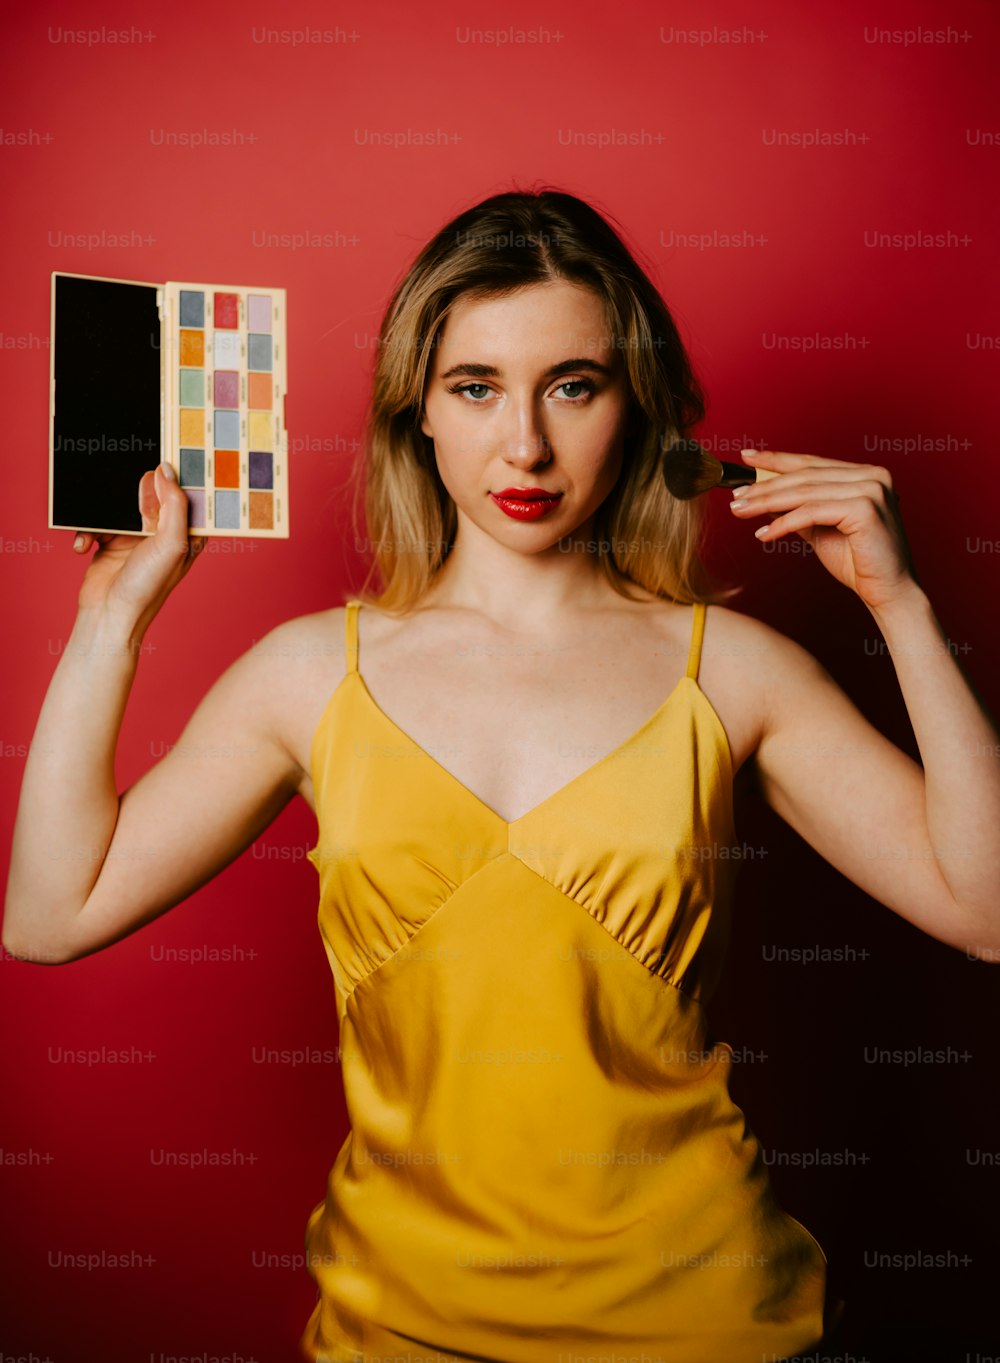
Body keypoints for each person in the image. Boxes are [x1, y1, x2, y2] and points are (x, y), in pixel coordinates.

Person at [5, 188, 998, 1363]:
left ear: (634, 407)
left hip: (712, 1324)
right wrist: (112, 622)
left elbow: (984, 911)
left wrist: (905, 606)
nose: (522, 444)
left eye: (571, 385)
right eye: (475, 387)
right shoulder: (307, 673)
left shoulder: (734, 670)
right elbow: (50, 915)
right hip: (402, 1328)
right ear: (416, 412)